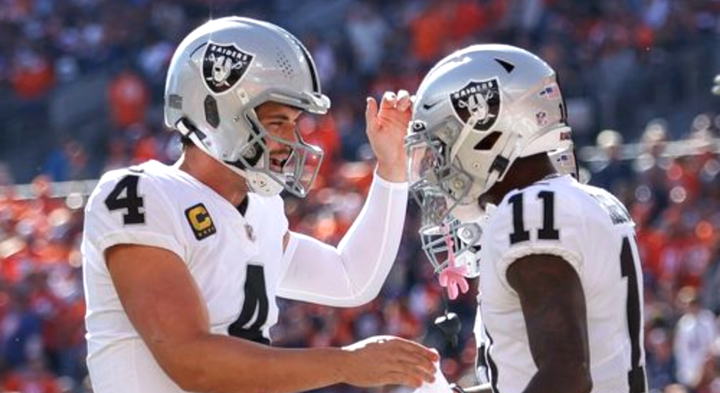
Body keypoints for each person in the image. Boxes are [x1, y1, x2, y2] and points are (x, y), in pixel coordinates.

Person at [81, 16, 438, 393]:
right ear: (217, 113)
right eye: (277, 121)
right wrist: (345, 364)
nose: (292, 138)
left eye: (294, 122)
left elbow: (352, 278)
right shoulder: (141, 193)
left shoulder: (261, 210)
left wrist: (391, 169)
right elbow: (192, 363)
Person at [405, 44, 648, 393]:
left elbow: (567, 374)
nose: (436, 168)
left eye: (441, 146)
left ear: (484, 131)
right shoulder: (591, 199)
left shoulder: (526, 212)